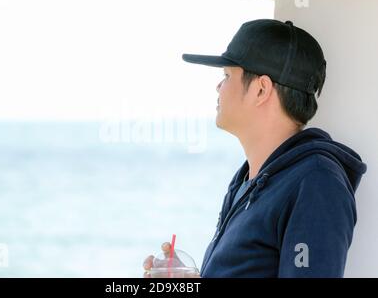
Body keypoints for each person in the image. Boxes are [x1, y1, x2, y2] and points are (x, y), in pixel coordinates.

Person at [143, 19, 367, 277]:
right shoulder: (248, 179)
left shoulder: (316, 182)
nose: (218, 87)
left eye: (226, 76)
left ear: (261, 90)